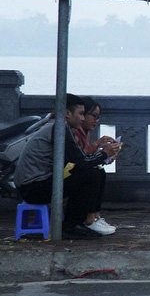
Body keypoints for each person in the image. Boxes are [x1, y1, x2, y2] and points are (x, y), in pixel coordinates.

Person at [14, 93, 121, 240]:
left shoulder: (57, 126)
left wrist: (102, 157)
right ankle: (72, 225)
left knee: (94, 171)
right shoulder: (59, 129)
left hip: (35, 185)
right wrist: (104, 154)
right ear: (67, 113)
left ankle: (83, 221)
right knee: (89, 175)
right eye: (81, 114)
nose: (83, 118)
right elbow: (81, 162)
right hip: (33, 188)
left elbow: (77, 162)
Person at [71, 96, 119, 235]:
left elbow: (84, 156)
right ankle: (89, 219)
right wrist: (100, 149)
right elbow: (80, 158)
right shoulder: (74, 132)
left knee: (98, 171)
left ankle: (95, 216)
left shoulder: (83, 132)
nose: (96, 121)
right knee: (93, 173)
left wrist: (104, 156)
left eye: (98, 117)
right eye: (94, 116)